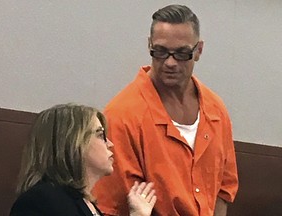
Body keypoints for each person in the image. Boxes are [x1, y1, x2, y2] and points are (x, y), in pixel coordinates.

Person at [93, 4, 238, 216]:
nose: (170, 62)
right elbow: (111, 207)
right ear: (149, 45)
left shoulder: (215, 110)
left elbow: (223, 190)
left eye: (181, 54)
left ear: (198, 51)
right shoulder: (122, 116)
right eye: (160, 52)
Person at [10, 104, 157, 216]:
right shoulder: (40, 201)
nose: (110, 144)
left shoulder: (87, 204)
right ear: (73, 142)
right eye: (101, 135)